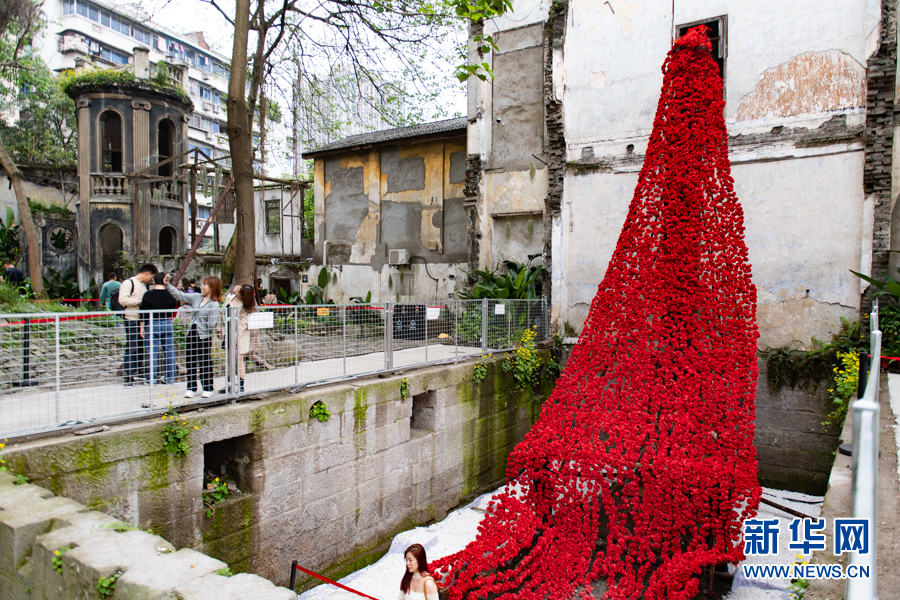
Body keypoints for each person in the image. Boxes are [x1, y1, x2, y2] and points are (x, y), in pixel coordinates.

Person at [166, 276, 222, 398]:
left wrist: (210, 330)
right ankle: (191, 387)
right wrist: (168, 285)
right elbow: (180, 295)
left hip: (204, 335)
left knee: (204, 361)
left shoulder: (214, 304)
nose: (202, 286)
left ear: (212, 287)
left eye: (205, 284)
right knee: (190, 360)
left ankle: (208, 387)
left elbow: (212, 323)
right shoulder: (197, 297)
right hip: (192, 331)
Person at [118, 264, 158, 387]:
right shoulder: (129, 283)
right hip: (131, 319)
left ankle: (138, 369)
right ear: (148, 274)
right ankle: (129, 374)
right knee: (132, 346)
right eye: (151, 277)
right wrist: (140, 302)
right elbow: (123, 300)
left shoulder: (142, 285)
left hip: (141, 321)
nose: (151, 280)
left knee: (140, 347)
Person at [139, 273, 178, 385]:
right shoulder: (170, 295)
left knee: (152, 352)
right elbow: (173, 307)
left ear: (154, 281)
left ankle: (151, 379)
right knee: (170, 351)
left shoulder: (148, 295)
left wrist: (142, 327)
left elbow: (143, 313)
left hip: (152, 323)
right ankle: (170, 378)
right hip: (167, 322)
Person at [220, 284, 257, 393]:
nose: (235, 288)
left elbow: (242, 324)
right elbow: (222, 312)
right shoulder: (229, 298)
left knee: (238, 359)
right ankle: (229, 384)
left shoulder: (246, 306)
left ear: (242, 295)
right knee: (228, 358)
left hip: (239, 335)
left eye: (238, 289)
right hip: (227, 331)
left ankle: (240, 385)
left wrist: (235, 339)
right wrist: (220, 329)